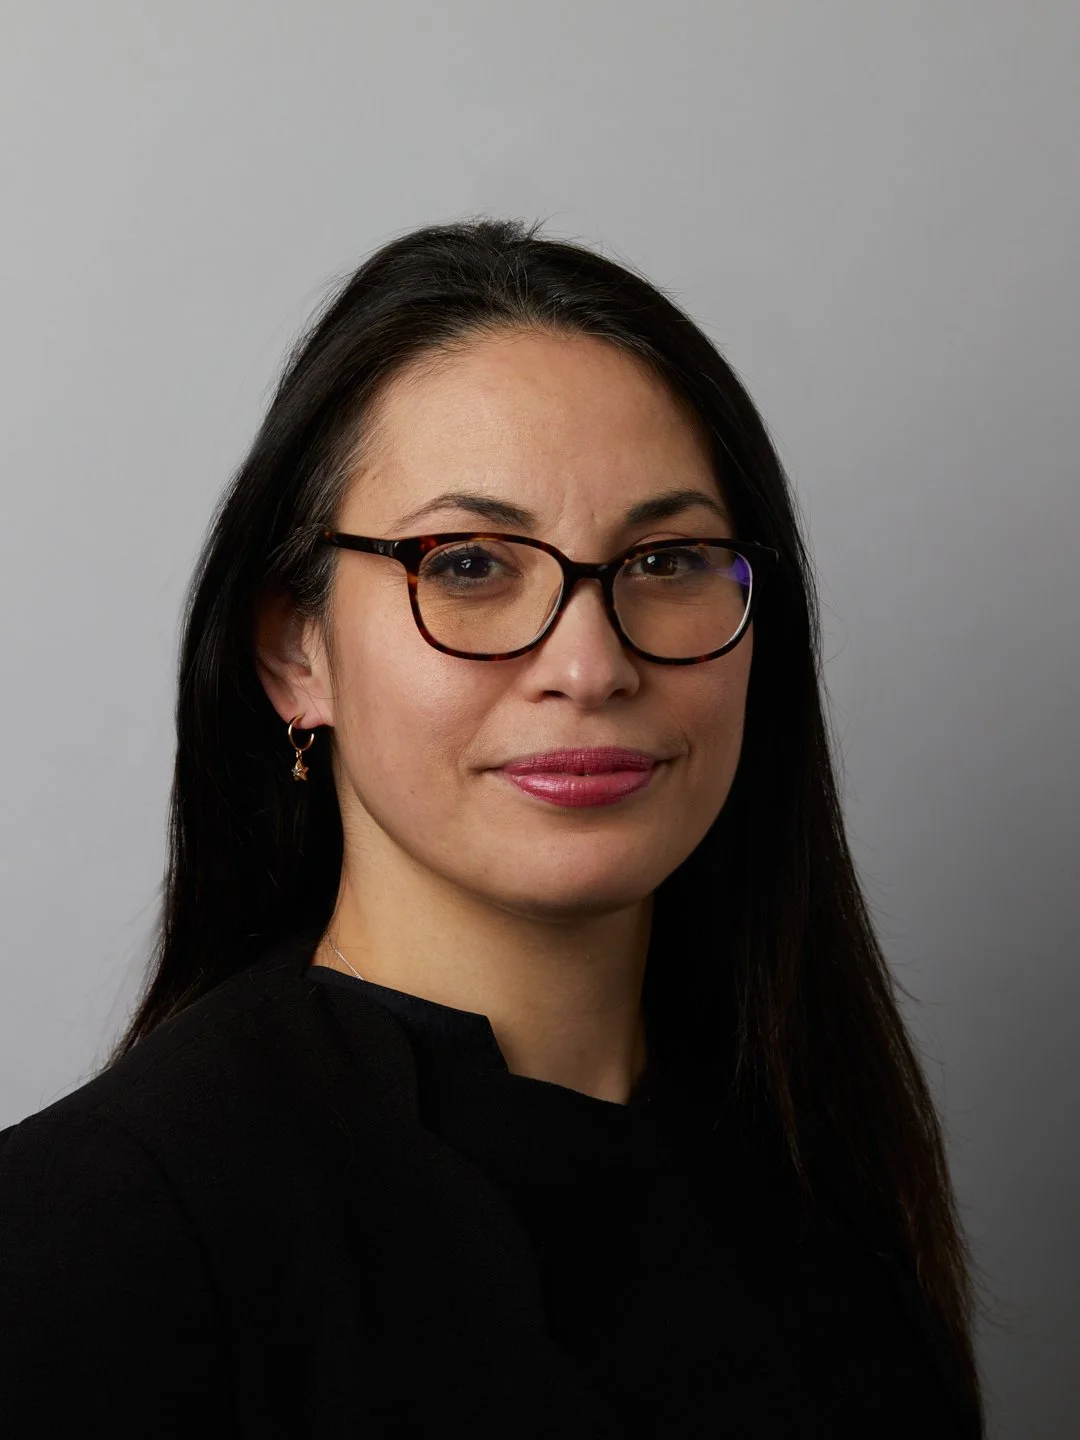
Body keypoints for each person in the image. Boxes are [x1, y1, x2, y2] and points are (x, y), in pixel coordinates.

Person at [0, 218, 986, 1437]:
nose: (590, 662)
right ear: (294, 649)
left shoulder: (819, 1178)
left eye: (668, 558)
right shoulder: (93, 1239)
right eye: (469, 564)